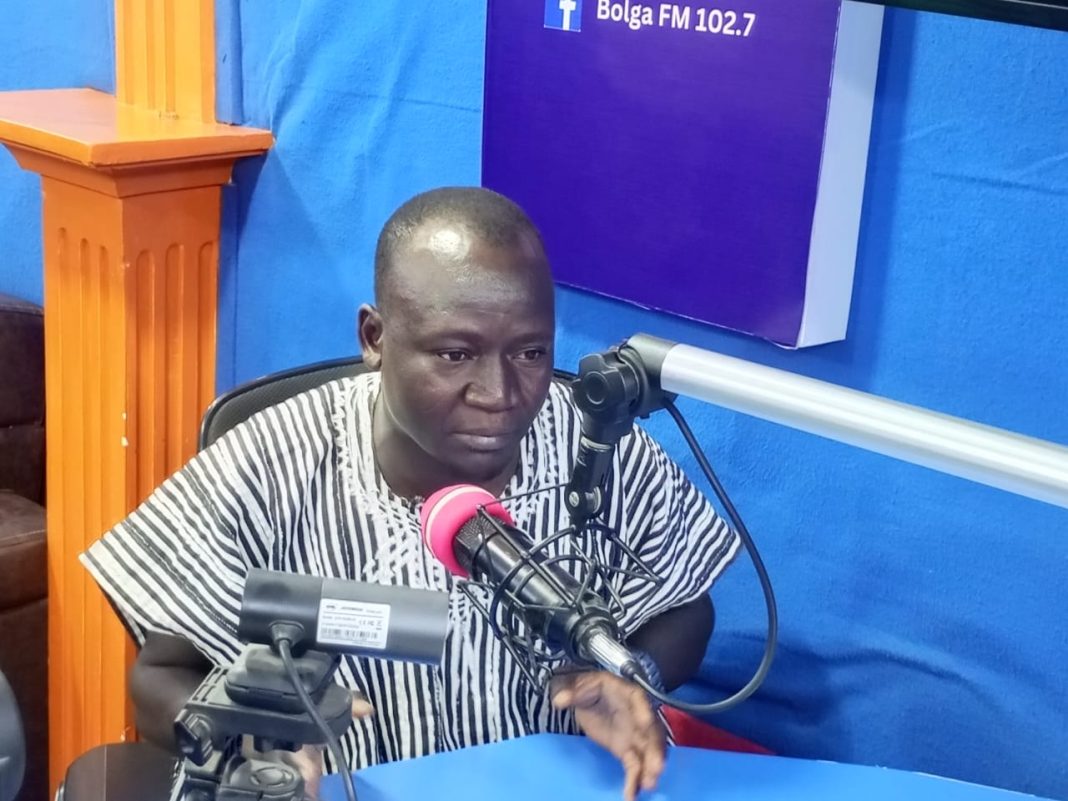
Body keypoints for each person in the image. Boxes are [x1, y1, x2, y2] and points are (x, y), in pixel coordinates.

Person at [81, 187, 740, 801]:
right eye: (455, 354)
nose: (500, 394)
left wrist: (633, 673)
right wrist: (248, 736)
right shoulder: (271, 461)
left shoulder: (591, 445)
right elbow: (158, 675)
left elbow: (685, 609)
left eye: (531, 353)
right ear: (375, 338)